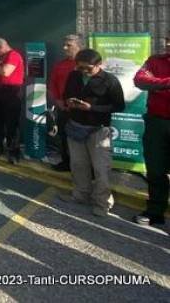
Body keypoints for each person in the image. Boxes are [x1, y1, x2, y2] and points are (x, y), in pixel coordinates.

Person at [59, 49, 125, 217]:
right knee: (78, 165)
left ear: (99, 65)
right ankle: (80, 195)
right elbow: (66, 94)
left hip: (98, 129)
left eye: (88, 69)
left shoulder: (110, 80)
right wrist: (70, 102)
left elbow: (119, 106)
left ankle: (102, 203)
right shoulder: (74, 76)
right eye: (80, 68)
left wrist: (92, 108)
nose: (84, 72)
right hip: (76, 125)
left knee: (101, 168)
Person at [132, 33, 170, 226]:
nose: (168, 44)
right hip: (157, 123)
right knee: (155, 170)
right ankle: (155, 211)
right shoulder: (155, 61)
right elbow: (139, 80)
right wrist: (166, 83)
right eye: (167, 40)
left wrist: (158, 85)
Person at [0, 38, 25, 164]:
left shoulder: (14, 55)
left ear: (0, 47)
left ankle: (13, 152)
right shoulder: (2, 57)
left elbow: (5, 72)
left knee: (11, 123)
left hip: (11, 92)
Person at [47, 34, 83, 172]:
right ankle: (66, 163)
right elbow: (53, 85)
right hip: (63, 108)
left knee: (82, 140)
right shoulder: (60, 65)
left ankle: (85, 168)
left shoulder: (86, 64)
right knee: (63, 136)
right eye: (64, 45)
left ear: (79, 46)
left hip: (82, 110)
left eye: (69, 45)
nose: (64, 48)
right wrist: (58, 101)